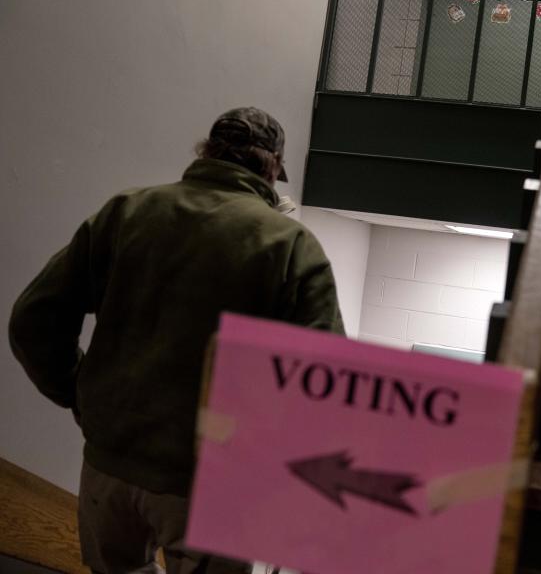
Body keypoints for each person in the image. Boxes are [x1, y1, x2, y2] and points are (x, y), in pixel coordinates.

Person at [9, 107, 344, 573]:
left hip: (109, 468)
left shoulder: (126, 211)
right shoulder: (289, 244)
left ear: (206, 152)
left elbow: (32, 319)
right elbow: (325, 384)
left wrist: (79, 393)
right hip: (210, 489)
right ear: (272, 168)